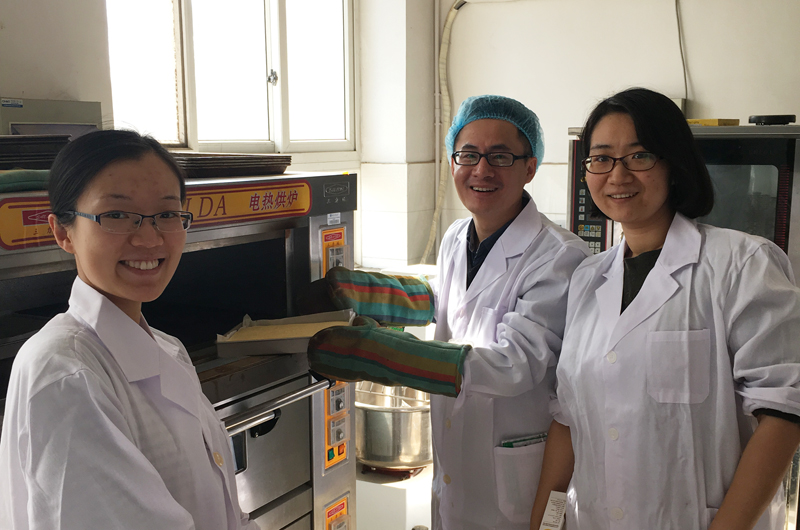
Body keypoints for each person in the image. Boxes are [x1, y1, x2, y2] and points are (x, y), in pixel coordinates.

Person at [309, 95, 591, 530]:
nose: (481, 170)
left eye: (500, 156)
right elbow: (449, 301)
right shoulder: (457, 237)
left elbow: (515, 364)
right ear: (452, 160)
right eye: (468, 154)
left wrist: (383, 354)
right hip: (453, 474)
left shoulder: (560, 256)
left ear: (530, 168)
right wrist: (378, 294)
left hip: (513, 487)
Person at [530, 88, 800, 530]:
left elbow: (784, 414)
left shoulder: (742, 264)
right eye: (602, 158)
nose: (618, 175)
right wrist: (544, 524)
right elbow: (567, 420)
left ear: (674, 164)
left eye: (639, 156)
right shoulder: (587, 279)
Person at [0, 130, 258, 530]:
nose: (149, 238)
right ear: (63, 232)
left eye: (167, 214)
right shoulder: (67, 375)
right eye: (117, 215)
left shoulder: (167, 348)